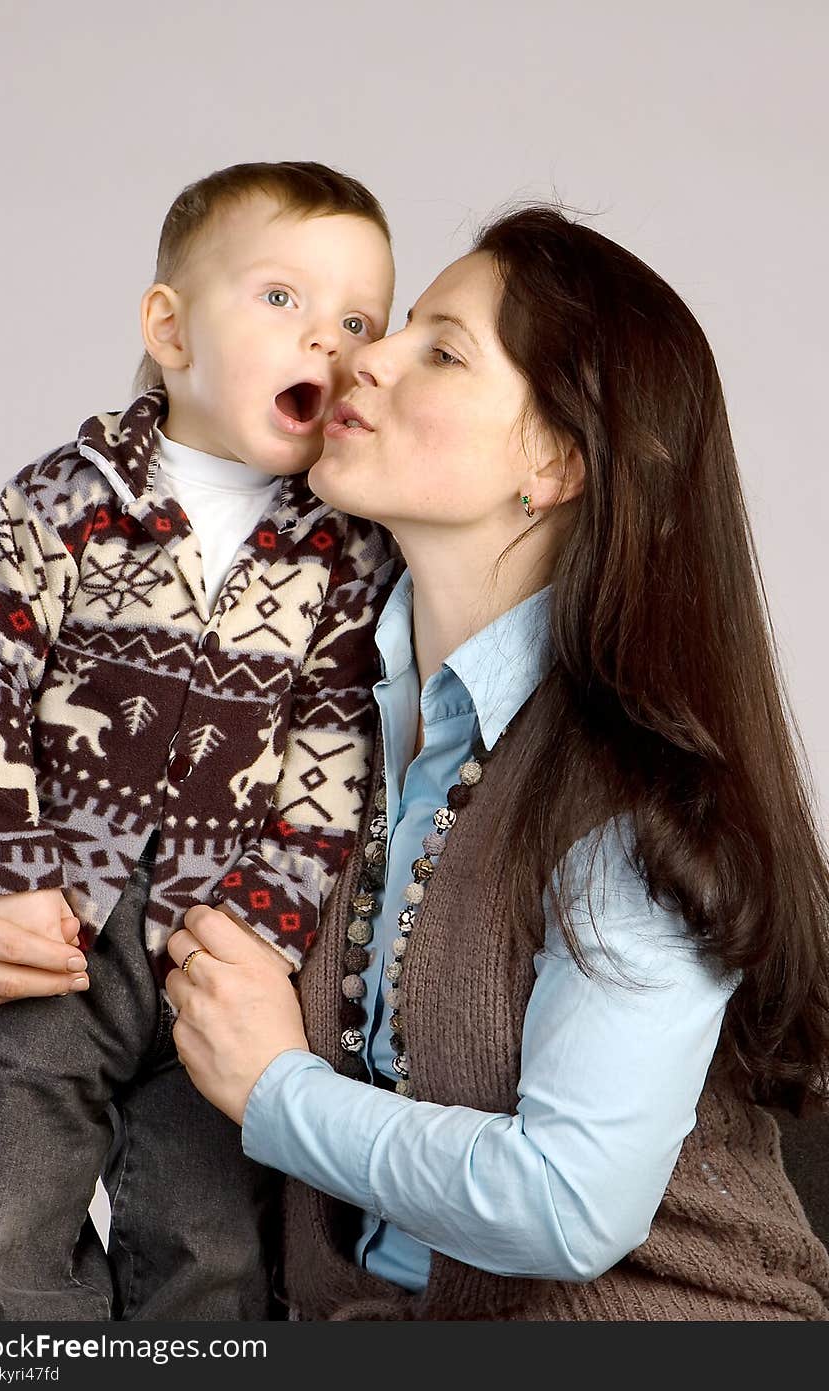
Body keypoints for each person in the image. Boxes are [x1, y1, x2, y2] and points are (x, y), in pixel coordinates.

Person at [162, 205, 829, 1320]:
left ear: (556, 460)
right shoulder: (315, 722)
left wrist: (276, 1089)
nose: (361, 355)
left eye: (439, 349)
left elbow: (572, 1202)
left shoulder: (636, 800)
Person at [0, 160, 396, 1319]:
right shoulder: (66, 498)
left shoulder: (346, 556)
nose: (328, 341)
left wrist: (260, 926)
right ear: (171, 326)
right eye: (283, 299)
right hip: (55, 919)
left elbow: (332, 760)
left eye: (360, 321)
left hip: (220, 951)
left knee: (213, 1253)